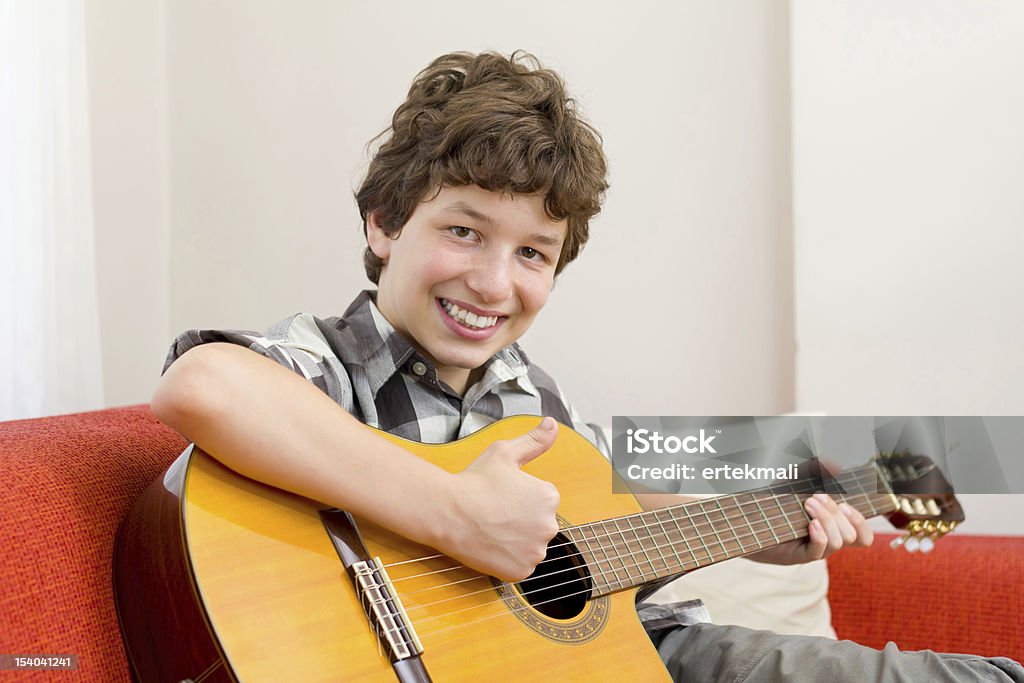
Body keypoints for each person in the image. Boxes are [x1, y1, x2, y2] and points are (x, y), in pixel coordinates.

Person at [152, 50, 1023, 682]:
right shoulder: (334, 359)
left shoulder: (530, 395)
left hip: (647, 649)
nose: (494, 281)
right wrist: (455, 512)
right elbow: (202, 386)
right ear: (384, 224)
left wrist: (778, 531)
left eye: (534, 252)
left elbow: (612, 521)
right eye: (463, 230)